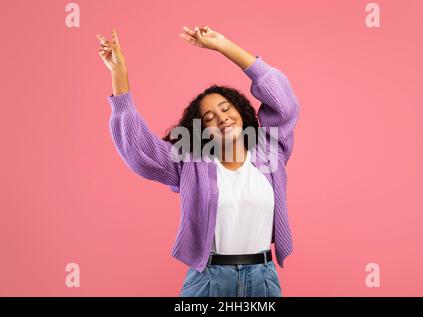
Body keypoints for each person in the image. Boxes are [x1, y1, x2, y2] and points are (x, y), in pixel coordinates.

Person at [96, 25, 300, 297]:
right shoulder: (192, 163)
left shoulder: (270, 151)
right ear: (202, 132)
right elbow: (139, 151)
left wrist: (224, 46)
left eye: (226, 109)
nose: (222, 118)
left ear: (241, 113)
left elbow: (284, 103)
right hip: (207, 281)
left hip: (262, 279)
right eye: (209, 118)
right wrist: (119, 74)